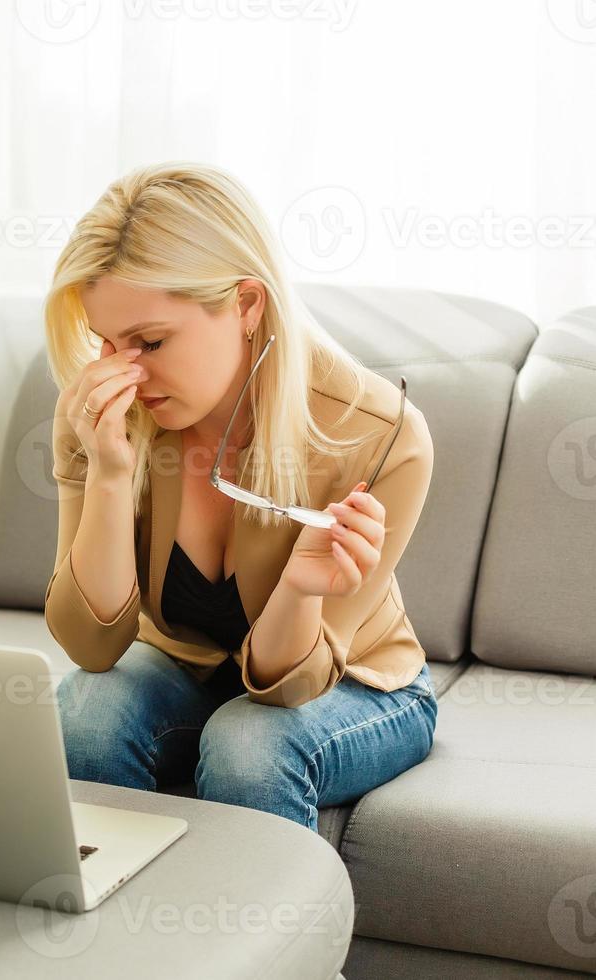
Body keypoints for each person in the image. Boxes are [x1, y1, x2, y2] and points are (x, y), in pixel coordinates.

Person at [42, 161, 438, 829]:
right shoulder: (103, 413)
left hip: (356, 685)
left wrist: (302, 588)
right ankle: (113, 923)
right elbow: (90, 646)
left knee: (247, 745)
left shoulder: (381, 436)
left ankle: (256, 935)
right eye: (106, 342)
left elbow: (291, 685)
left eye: (151, 341)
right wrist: (109, 476)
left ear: (247, 305)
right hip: (189, 673)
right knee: (84, 711)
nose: (122, 371)